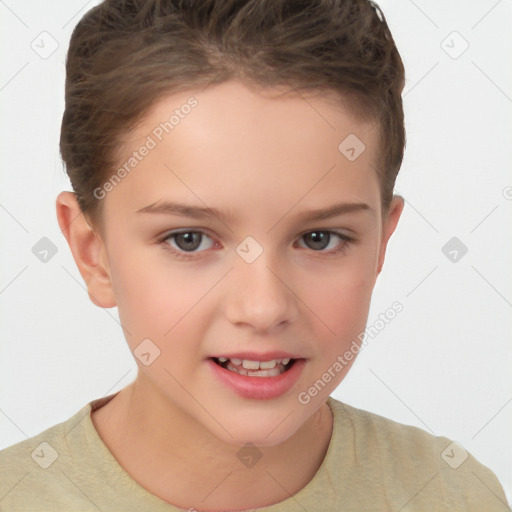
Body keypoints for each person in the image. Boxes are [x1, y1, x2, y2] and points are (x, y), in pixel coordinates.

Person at [1, 0, 510, 510]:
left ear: (381, 244)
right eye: (189, 240)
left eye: (319, 239)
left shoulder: (454, 495)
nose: (264, 308)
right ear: (94, 255)